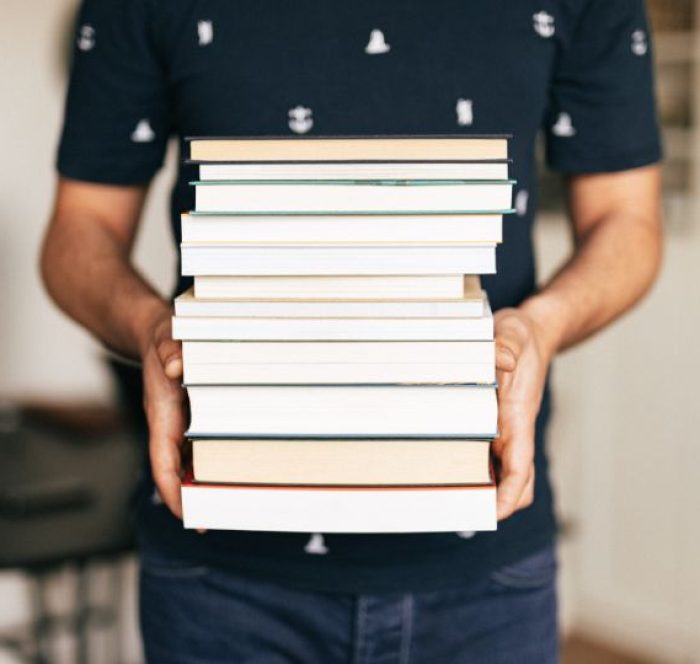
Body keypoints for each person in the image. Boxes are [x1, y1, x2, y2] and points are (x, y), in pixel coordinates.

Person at [41, 1, 662, 662]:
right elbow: (79, 230)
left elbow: (628, 222)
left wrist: (544, 324)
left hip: (483, 557)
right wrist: (151, 330)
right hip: (219, 567)